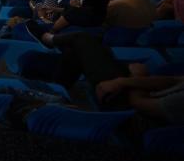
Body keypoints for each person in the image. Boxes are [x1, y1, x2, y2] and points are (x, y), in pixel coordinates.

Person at [25, 24, 184, 122]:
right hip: (139, 87)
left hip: (128, 109)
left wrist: (130, 79)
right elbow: (174, 80)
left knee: (81, 39)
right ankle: (58, 89)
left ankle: (49, 40)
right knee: (77, 47)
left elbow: (140, 105)